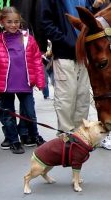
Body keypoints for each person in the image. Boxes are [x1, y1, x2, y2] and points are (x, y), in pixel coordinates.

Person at [40, 0, 107, 134]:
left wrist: (93, 8)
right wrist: (68, 42)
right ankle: (66, 136)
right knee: (66, 98)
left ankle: (79, 136)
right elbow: (46, 23)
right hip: (65, 54)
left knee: (83, 98)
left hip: (84, 54)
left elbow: (88, 20)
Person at [0, 6, 46, 154]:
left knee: (30, 112)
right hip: (5, 86)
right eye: (9, 22)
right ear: (2, 22)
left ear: (20, 22)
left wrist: (40, 81)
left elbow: (37, 61)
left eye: (16, 22)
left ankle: (34, 135)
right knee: (8, 115)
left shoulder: (29, 39)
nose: (13, 25)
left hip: (25, 84)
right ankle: (14, 140)